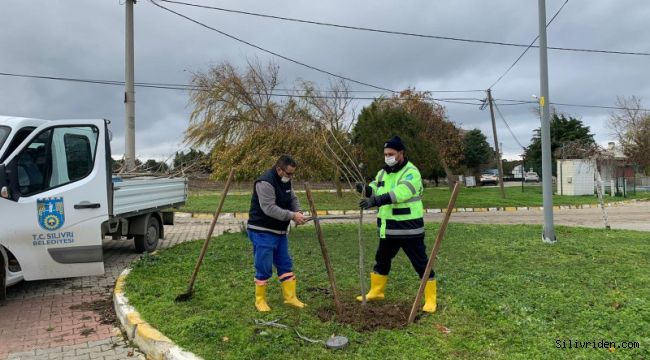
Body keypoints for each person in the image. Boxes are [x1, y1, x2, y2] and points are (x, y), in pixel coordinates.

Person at [356, 136, 437, 313]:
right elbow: (375, 187)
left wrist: (376, 201)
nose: (387, 157)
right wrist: (366, 190)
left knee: (421, 263)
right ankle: (377, 292)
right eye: (385, 154)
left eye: (391, 154)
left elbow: (401, 193)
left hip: (409, 229)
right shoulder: (382, 172)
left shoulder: (411, 172)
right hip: (388, 228)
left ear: (401, 153)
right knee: (381, 260)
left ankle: (430, 299)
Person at [247, 155, 308, 312]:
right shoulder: (265, 183)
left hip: (280, 231)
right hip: (262, 230)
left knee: (285, 263)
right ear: (279, 169)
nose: (291, 177)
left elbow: (292, 197)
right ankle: (260, 300)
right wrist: (292, 216)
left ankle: (290, 298)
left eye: (293, 173)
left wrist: (298, 211)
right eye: (289, 173)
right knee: (264, 266)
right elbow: (269, 208)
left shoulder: (286, 180)